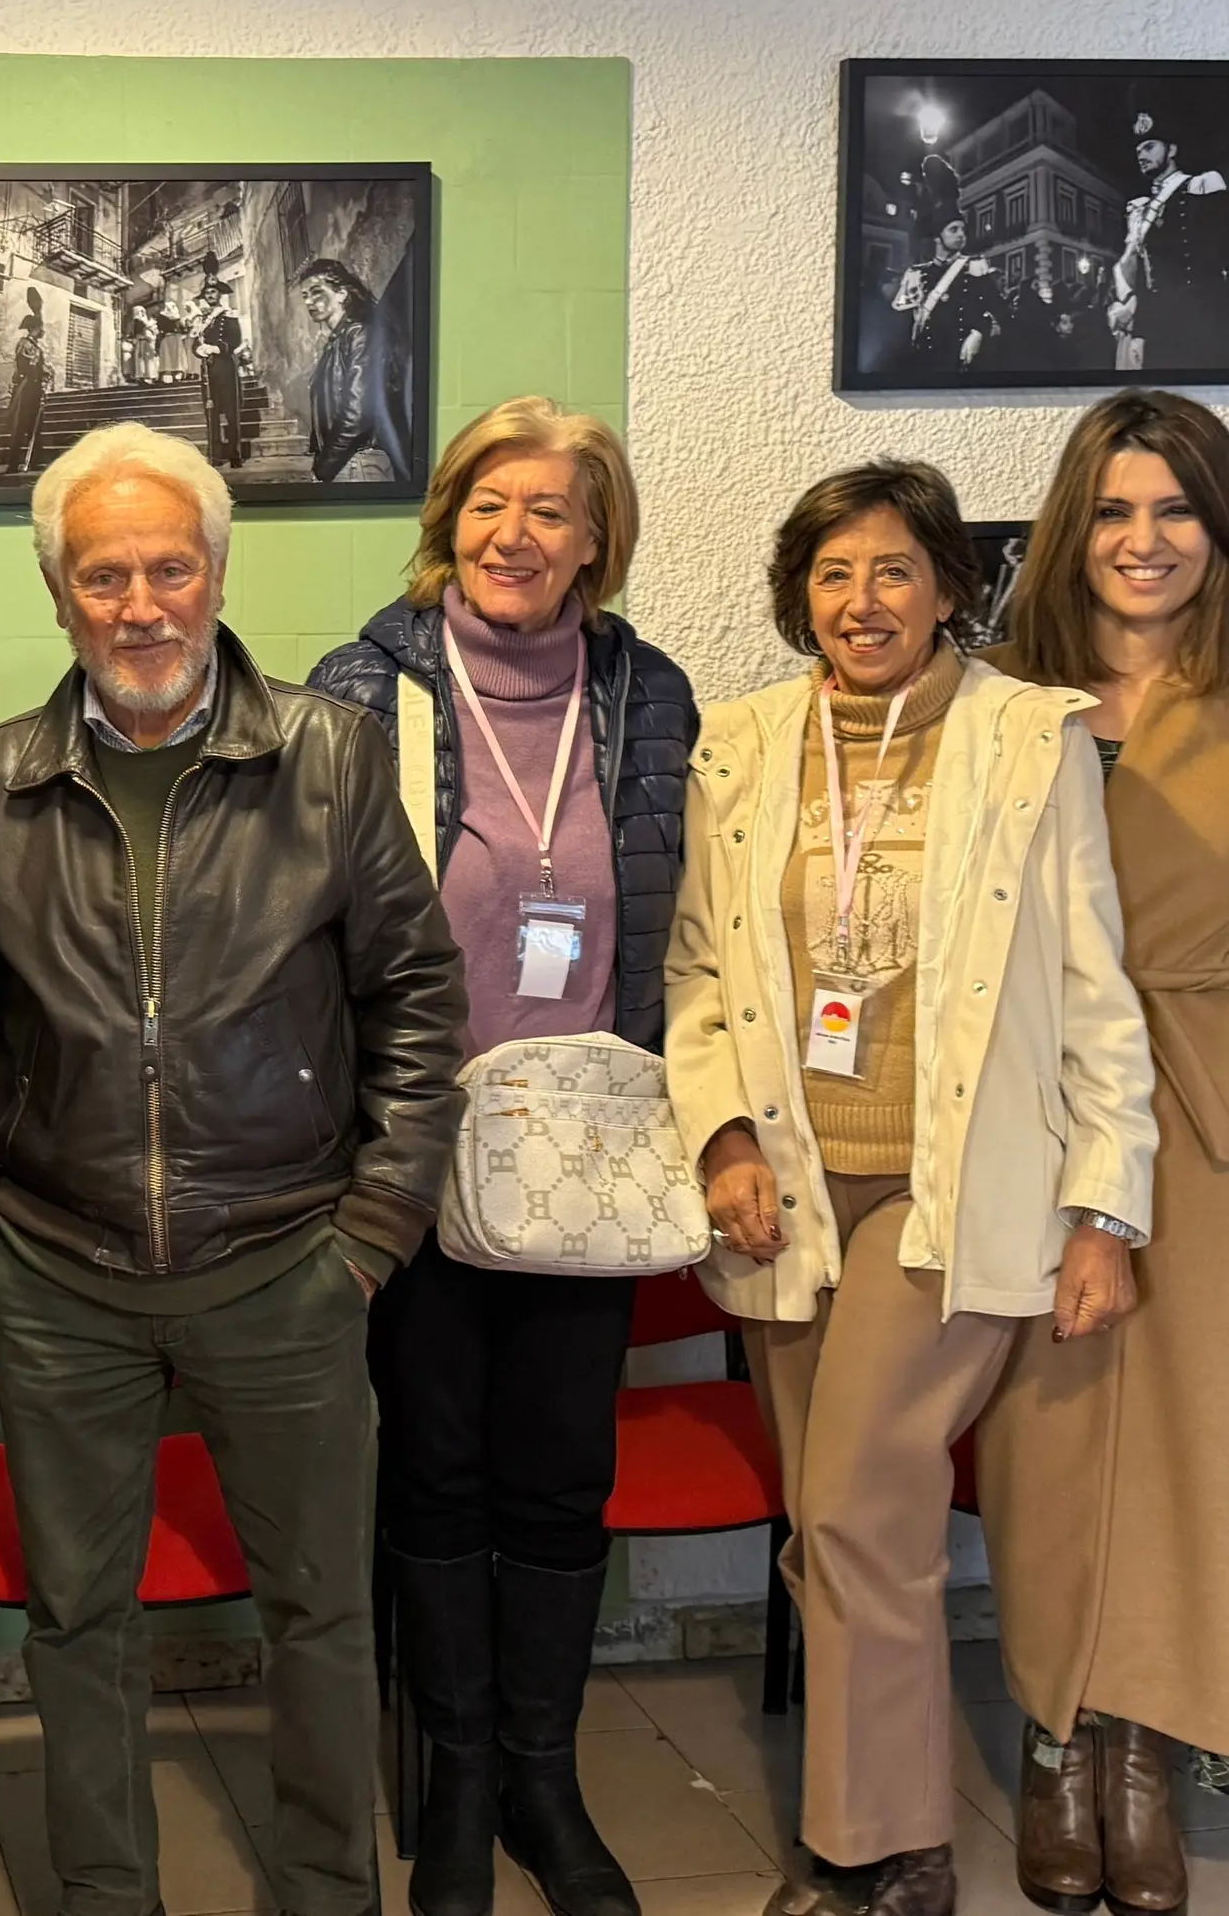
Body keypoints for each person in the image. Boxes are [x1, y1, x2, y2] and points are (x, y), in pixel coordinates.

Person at [0, 420, 466, 1916]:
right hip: (57, 1267)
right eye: (104, 574)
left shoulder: (329, 757)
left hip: (289, 1260)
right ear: (57, 594)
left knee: (314, 1607)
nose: (142, 603)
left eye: (171, 566)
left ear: (217, 572)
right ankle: (105, 1893)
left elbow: (417, 998)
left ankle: (324, 1888)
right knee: (75, 1613)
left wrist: (374, 1221)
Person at [665, 460, 1157, 1916]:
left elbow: (1091, 982)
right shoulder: (744, 745)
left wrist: (1103, 1204)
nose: (860, 601)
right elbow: (698, 971)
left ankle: (881, 1852)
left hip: (955, 1186)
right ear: (795, 593)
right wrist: (723, 1139)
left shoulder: (1026, 739)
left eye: (891, 569)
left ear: (949, 583)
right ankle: (876, 1820)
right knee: (828, 1522)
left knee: (862, 1505)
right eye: (830, 573)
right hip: (792, 1187)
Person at [309, 398, 697, 1916]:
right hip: (413, 1149)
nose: (512, 534)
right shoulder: (360, 686)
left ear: (596, 537)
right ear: (444, 519)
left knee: (559, 1476)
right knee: (436, 1462)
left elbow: (694, 916)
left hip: (589, 1156)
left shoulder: (645, 695)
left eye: (548, 508)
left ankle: (545, 1774)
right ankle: (454, 1776)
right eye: (486, 501)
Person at [977, 389, 1229, 1916]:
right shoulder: (1001, 701)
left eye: (1178, 509)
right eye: (1117, 510)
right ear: (1075, 524)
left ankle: (1150, 1754)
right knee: (1048, 1428)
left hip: (1204, 1106)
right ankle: (1051, 1737)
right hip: (1041, 1103)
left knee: (1192, 1444)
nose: (1144, 542)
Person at [1108, 109, 1229, 373]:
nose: (1141, 155)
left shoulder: (1202, 187)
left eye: (1150, 146)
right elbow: (1138, 268)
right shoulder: (1140, 209)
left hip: (1204, 319)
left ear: (1171, 150)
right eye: (1138, 149)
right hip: (1160, 326)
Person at [296, 255, 418, 485]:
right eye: (304, 296)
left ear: (342, 293)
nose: (309, 302)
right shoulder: (339, 340)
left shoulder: (359, 334)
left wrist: (324, 466)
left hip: (356, 462)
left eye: (316, 292)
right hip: (347, 462)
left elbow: (357, 412)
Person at [891, 216, 1002, 372]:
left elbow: (997, 310)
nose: (961, 235)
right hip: (927, 359)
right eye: (953, 229)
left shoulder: (975, 267)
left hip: (965, 358)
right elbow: (903, 322)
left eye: (963, 230)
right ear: (937, 237)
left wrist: (979, 332)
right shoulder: (917, 273)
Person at [194, 278, 246, 467]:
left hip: (226, 367)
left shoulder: (229, 315)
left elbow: (236, 339)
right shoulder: (200, 319)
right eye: (207, 293)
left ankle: (235, 455)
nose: (210, 295)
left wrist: (216, 348)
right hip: (208, 370)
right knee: (211, 413)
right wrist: (198, 350)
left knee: (232, 413)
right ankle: (215, 455)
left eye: (213, 292)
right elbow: (195, 342)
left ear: (219, 294)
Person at [6, 300, 52, 475]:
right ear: (35, 328)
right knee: (21, 425)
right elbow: (29, 366)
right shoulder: (25, 344)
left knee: (36, 425)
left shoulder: (35, 347)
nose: (43, 331)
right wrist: (41, 374)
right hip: (26, 389)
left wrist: (45, 375)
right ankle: (12, 463)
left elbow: (40, 368)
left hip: (35, 389)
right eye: (41, 328)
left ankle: (35, 461)